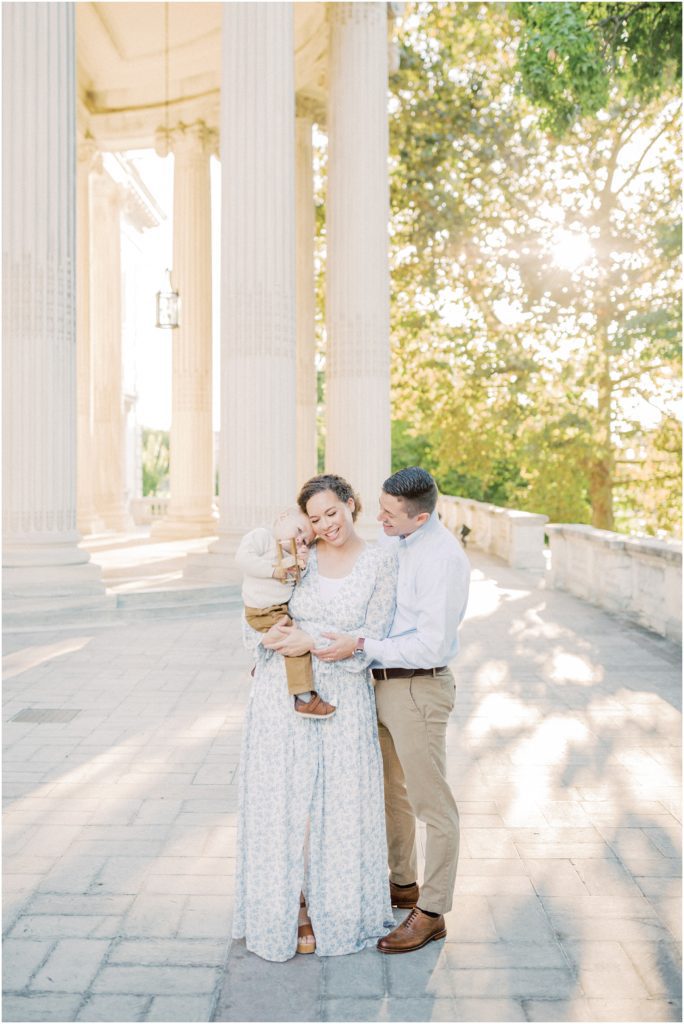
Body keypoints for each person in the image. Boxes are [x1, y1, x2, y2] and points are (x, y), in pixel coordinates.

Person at [232, 474, 398, 962]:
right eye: (316, 518)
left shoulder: (380, 562)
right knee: (281, 806)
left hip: (344, 698)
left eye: (333, 513)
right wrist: (265, 637)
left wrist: (313, 640)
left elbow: (376, 634)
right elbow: (256, 603)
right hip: (278, 696)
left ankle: (339, 909)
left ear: (351, 505)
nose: (326, 525)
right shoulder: (297, 554)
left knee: (340, 808)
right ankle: (292, 907)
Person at [314, 467, 470, 954]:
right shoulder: (399, 542)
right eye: (379, 506)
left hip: (418, 689)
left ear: (420, 516)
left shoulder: (442, 558)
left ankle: (433, 912)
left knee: (432, 805)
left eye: (388, 513)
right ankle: (403, 884)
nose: (377, 517)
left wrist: (362, 643)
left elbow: (431, 645)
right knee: (392, 795)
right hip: (379, 686)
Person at [235, 507, 336, 718]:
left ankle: (260, 665)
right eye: (299, 530)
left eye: (305, 540)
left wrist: (302, 564)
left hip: (278, 608)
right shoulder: (263, 536)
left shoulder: (290, 550)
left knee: (289, 635)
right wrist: (274, 570)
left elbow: (293, 582)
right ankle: (305, 698)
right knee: (295, 645)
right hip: (263, 609)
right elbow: (243, 559)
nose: (300, 540)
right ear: (282, 518)